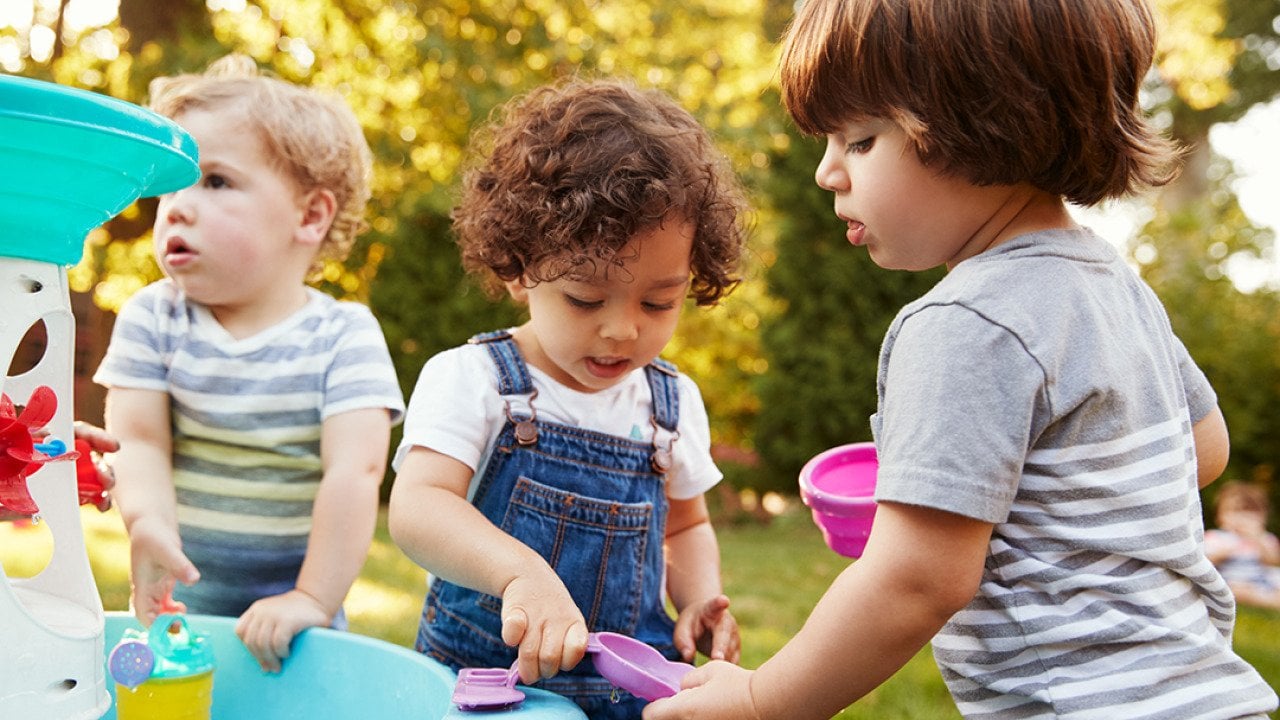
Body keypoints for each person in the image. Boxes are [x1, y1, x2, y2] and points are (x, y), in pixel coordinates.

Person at [645, 1, 1279, 718]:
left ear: (981, 124)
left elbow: (915, 582)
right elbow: (1202, 449)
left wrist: (762, 699)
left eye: (859, 139)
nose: (827, 172)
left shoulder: (962, 322)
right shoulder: (1111, 283)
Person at [388, 78, 746, 719]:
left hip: (627, 694)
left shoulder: (671, 403)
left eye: (659, 302)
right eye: (585, 299)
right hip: (493, 691)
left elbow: (687, 525)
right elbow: (418, 508)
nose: (622, 329)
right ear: (521, 269)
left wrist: (700, 598)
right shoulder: (472, 379)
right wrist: (518, 573)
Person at [93, 54, 404, 673]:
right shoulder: (153, 318)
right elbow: (141, 442)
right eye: (170, 187)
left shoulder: (342, 335)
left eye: (214, 182)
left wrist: (311, 598)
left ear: (310, 216)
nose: (177, 207)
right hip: (180, 612)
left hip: (296, 632)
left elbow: (355, 471)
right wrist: (147, 522)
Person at [1206, 481, 1280, 610]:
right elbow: (1206, 561)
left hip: (1261, 581)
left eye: (1249, 513)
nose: (1241, 518)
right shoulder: (1217, 537)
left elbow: (1273, 561)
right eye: (1235, 512)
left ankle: (1267, 599)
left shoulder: (1265, 538)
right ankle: (1269, 602)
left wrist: (1258, 539)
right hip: (1233, 579)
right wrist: (1224, 553)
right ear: (1219, 517)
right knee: (1236, 591)